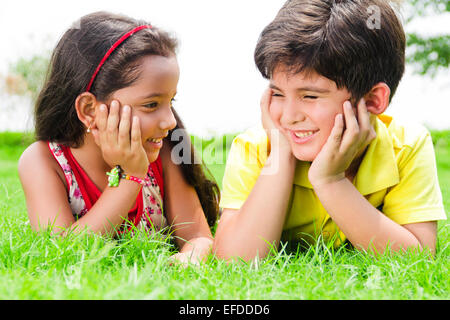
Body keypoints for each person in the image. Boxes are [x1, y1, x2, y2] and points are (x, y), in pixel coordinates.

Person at [213, 0, 447, 261]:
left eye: (310, 96)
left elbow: (417, 259)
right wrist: (281, 155)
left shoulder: (406, 146)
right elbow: (233, 259)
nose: (289, 117)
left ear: (372, 100)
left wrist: (330, 181)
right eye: (278, 93)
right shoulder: (256, 147)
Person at [18, 12, 220, 265]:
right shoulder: (43, 161)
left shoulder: (166, 151)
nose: (169, 121)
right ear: (90, 110)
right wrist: (130, 176)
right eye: (151, 104)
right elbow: (62, 253)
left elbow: (199, 237)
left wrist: (190, 257)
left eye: (171, 101)